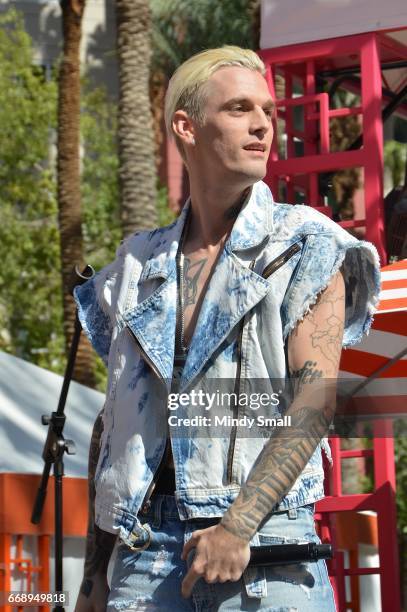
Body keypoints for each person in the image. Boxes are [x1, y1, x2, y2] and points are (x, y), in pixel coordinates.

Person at [74, 46, 380, 611]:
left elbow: (313, 402)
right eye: (240, 108)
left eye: (267, 110)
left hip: (268, 547)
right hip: (143, 554)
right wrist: (95, 575)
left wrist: (236, 528)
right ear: (185, 128)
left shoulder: (307, 243)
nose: (263, 124)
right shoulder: (138, 263)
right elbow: (112, 423)